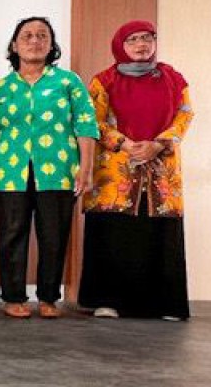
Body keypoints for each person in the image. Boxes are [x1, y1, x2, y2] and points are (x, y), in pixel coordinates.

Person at [0, 16, 97, 319]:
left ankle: (48, 298)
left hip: (57, 171)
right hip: (10, 174)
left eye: (42, 35)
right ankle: (13, 297)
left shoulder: (69, 82)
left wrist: (86, 168)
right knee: (11, 234)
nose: (34, 40)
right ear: (15, 45)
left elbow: (86, 124)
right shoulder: (0, 88)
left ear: (51, 45)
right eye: (27, 35)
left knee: (54, 236)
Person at [79, 20, 195, 321]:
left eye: (147, 38)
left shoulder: (173, 78)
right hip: (116, 170)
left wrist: (159, 144)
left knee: (159, 233)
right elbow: (92, 121)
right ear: (121, 45)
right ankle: (107, 301)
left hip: (161, 167)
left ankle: (165, 305)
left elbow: (185, 115)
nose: (141, 45)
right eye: (133, 40)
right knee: (115, 232)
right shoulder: (103, 81)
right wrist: (124, 143)